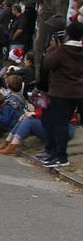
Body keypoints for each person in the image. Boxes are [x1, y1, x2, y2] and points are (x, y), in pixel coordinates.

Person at [38, 21, 83, 167]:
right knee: (65, 122)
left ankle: (61, 156)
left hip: (60, 92)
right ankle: (58, 154)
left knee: (60, 124)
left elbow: (47, 64)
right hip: (77, 92)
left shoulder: (62, 50)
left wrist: (53, 49)